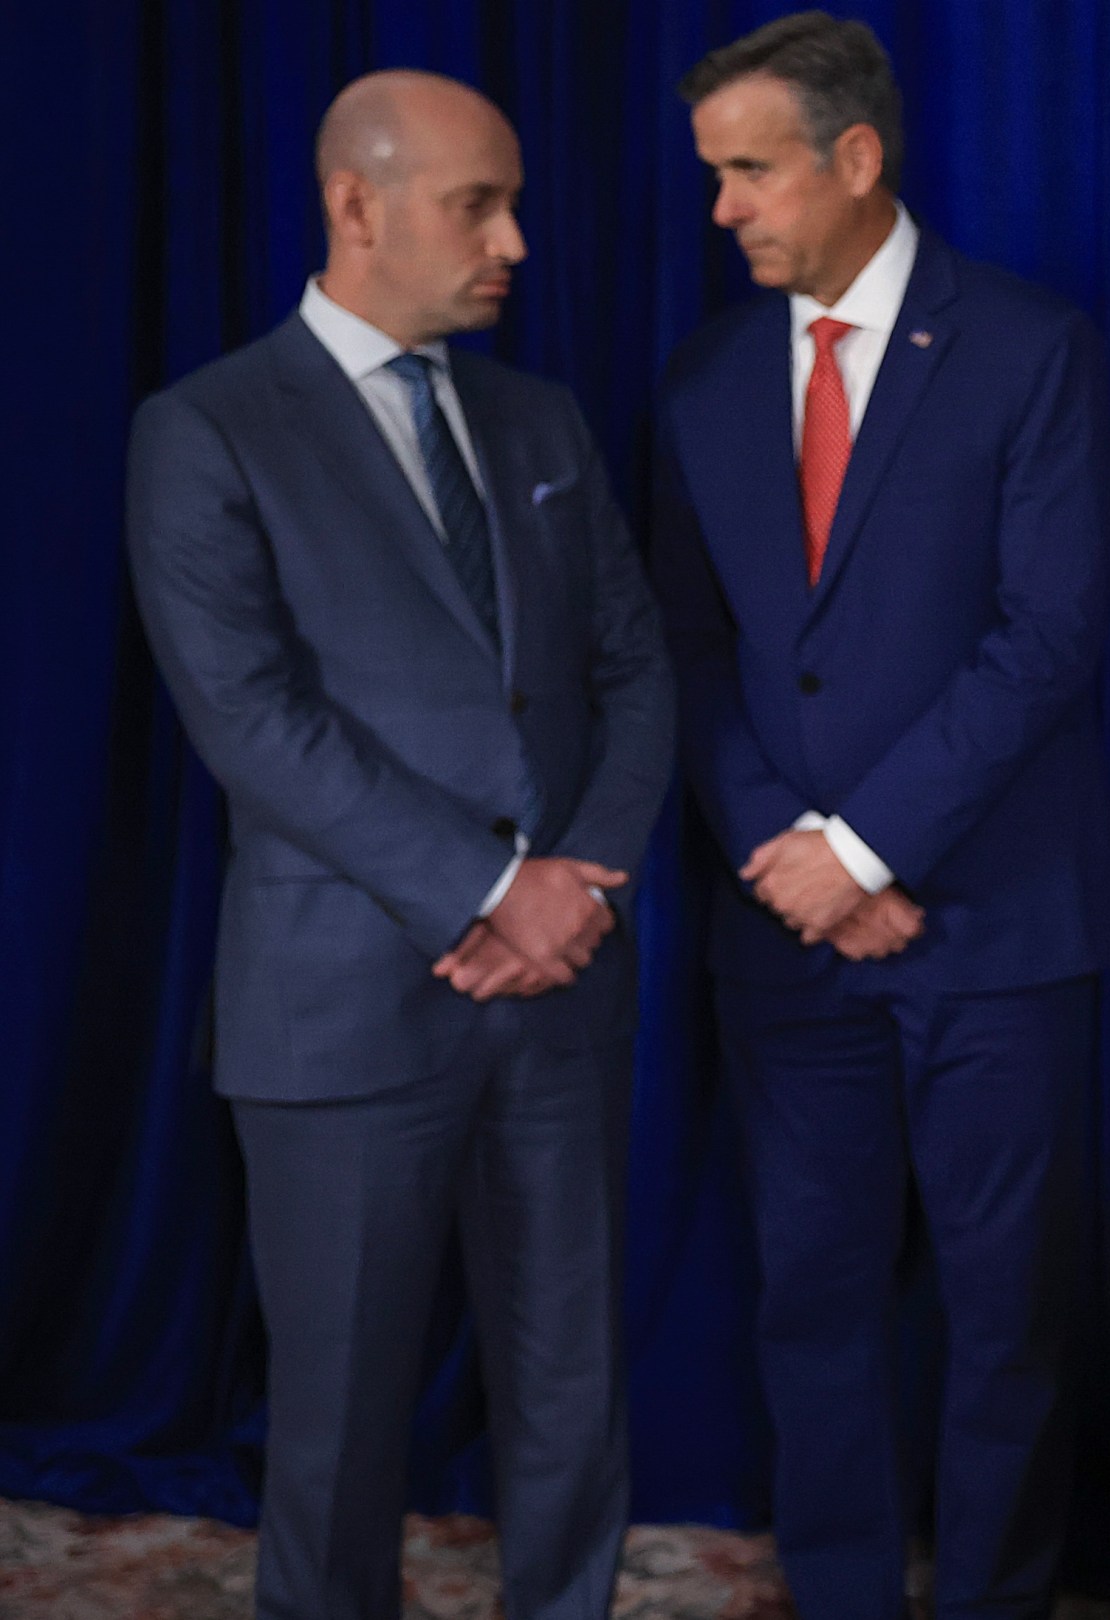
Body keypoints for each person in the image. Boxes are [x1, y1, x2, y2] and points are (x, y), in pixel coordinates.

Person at [124, 70, 672, 1620]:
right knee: (342, 1422)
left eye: (512, 203)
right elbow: (250, 718)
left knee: (574, 1403)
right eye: (474, 205)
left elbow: (633, 669)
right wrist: (497, 887)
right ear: (355, 205)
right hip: (345, 1009)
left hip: (563, 995)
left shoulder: (540, 416)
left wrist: (574, 895)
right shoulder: (208, 429)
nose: (512, 240)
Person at [650, 14, 1110, 1618]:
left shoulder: (1026, 345)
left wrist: (863, 850)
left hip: (994, 928)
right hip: (785, 945)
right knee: (812, 1304)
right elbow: (694, 648)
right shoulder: (711, 375)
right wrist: (792, 865)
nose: (723, 207)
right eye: (713, 172)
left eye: (751, 170)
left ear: (856, 160)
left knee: (1007, 1319)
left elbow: (1049, 634)